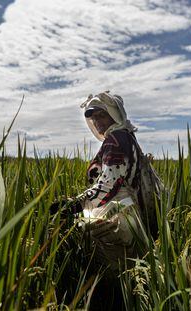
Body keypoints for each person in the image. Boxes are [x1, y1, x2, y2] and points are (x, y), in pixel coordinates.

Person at [50, 91, 150, 309]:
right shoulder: (126, 137)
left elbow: (107, 185)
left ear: (114, 115)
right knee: (127, 271)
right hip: (126, 212)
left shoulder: (116, 140)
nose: (96, 121)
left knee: (115, 273)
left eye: (101, 115)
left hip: (117, 214)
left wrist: (75, 204)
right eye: (93, 116)